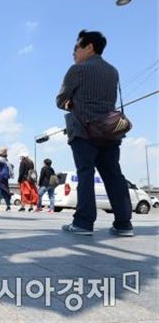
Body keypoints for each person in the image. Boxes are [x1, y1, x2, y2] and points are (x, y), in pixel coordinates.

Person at [56, 30, 133, 236]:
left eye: (76, 48)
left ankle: (83, 223)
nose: (74, 53)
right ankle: (124, 224)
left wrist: (71, 103)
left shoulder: (77, 70)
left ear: (89, 47)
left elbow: (60, 100)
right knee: (114, 175)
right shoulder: (113, 71)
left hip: (84, 131)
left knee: (86, 173)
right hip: (110, 131)